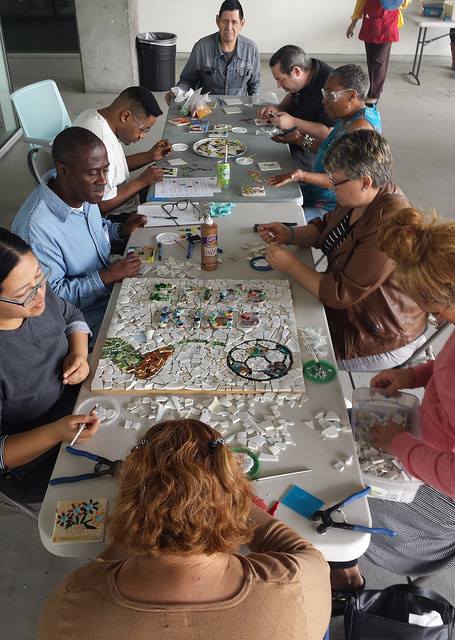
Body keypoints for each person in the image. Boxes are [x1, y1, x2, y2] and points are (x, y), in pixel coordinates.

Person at [38, 419, 331, 640]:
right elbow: (302, 550)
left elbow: (104, 569)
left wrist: (147, 513)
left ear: (128, 501)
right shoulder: (295, 583)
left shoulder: (76, 598)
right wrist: (227, 497)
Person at [330, 209, 455, 608]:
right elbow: (452, 369)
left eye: (437, 311)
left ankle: (346, 572)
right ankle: (341, 556)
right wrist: (412, 376)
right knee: (330, 433)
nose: (434, 319)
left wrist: (399, 444)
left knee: (335, 503)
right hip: (427, 438)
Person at [258, 130, 426, 372]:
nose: (331, 187)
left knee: (284, 353)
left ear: (365, 182)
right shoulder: (362, 197)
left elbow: (339, 294)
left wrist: (290, 265)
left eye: (336, 182)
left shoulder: (390, 225)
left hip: (377, 335)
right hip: (352, 311)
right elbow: (325, 226)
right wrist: (290, 234)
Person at [12, 127, 146, 339]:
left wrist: (121, 231)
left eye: (105, 170)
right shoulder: (37, 228)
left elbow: (96, 231)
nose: (103, 180)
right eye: (93, 173)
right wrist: (106, 276)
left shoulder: (81, 193)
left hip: (109, 291)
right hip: (81, 321)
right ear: (63, 171)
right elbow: (51, 301)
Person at [0, 229, 100, 503]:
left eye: (39, 276)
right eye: (25, 291)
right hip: (35, 451)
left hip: (77, 401)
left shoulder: (36, 300)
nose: (40, 293)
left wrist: (79, 353)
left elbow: (71, 315)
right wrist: (55, 432)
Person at [268, 64, 381, 221]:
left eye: (331, 95)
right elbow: (332, 149)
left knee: (278, 221)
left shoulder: (359, 129)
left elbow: (343, 179)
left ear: (351, 96)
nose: (324, 101)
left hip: (331, 205)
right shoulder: (349, 116)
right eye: (324, 93)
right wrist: (300, 139)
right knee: (269, 194)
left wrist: (302, 175)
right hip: (315, 191)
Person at [73, 86, 172, 215]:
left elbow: (114, 167)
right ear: (125, 116)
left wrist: (150, 156)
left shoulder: (92, 115)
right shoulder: (99, 143)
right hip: (113, 217)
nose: (142, 136)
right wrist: (142, 181)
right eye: (143, 129)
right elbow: (102, 205)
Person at [257, 45, 335, 172]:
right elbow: (293, 94)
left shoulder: (328, 86)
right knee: (260, 144)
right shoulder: (307, 70)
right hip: (297, 134)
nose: (278, 85)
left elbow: (329, 133)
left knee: (278, 168)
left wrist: (294, 122)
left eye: (281, 80)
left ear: (297, 71)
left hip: (318, 147)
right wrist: (279, 108)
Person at [165, 0, 260, 104]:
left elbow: (255, 85)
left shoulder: (251, 50)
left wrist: (255, 108)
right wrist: (178, 91)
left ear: (242, 24)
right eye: (225, 21)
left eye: (234, 22)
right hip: (207, 108)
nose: (229, 27)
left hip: (240, 109)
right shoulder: (202, 47)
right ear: (217, 21)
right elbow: (187, 80)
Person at [346, 0, 411, 103]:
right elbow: (360, 2)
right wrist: (353, 22)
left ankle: (374, 94)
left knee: (379, 61)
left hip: (388, 22)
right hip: (370, 21)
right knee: (371, 60)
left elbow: (402, 2)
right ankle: (372, 90)